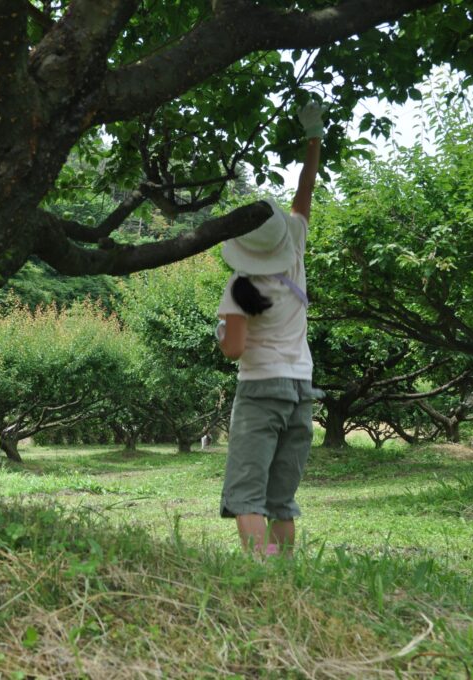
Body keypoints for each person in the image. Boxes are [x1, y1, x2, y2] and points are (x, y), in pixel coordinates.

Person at [214, 101, 324, 557]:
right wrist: (313, 137)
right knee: (282, 499)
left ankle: (260, 573)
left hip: (260, 390)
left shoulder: (239, 288)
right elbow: (304, 194)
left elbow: (234, 351)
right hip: (301, 386)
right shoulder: (294, 250)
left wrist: (221, 333)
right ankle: (286, 574)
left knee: (247, 491)